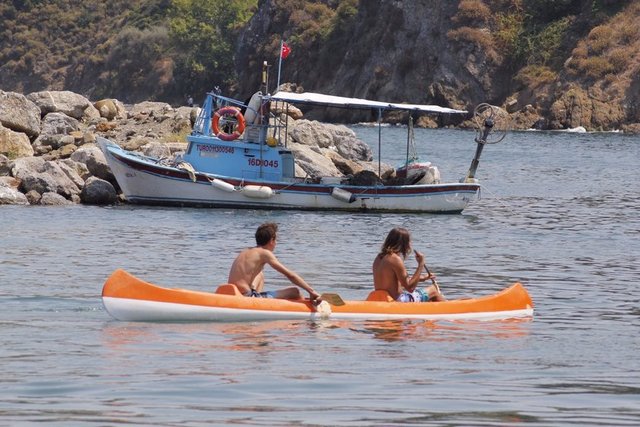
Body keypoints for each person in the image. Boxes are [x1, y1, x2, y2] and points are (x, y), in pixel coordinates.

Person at [228, 222, 321, 301]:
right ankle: (305, 310)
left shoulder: (246, 251)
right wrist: (311, 291)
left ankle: (258, 301)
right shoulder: (265, 253)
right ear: (272, 240)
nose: (276, 243)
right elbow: (290, 275)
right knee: (295, 291)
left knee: (260, 275)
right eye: (276, 240)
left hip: (231, 291)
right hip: (245, 295)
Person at [372, 227, 445, 302]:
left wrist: (422, 278)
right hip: (397, 300)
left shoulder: (378, 258)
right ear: (404, 243)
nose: (410, 244)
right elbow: (410, 288)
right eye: (409, 242)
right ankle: (448, 307)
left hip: (381, 299)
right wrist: (421, 264)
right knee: (433, 290)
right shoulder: (395, 259)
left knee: (428, 297)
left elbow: (399, 282)